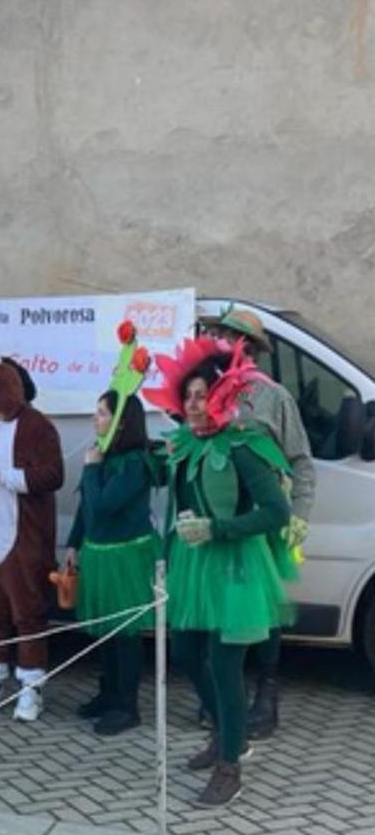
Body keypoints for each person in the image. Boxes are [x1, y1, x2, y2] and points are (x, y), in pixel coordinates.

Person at [142, 336, 294, 807]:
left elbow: (276, 512)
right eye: (186, 395)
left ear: (222, 395)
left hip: (237, 566)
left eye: (201, 394)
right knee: (187, 653)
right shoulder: (182, 446)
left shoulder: (245, 447)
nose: (193, 403)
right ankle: (230, 732)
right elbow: (178, 507)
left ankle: (231, 765)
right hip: (196, 566)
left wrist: (217, 527)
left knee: (227, 665)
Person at [199, 306, 314, 741]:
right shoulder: (201, 390)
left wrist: (299, 515)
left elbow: (301, 461)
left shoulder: (272, 397)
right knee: (219, 599)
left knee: (262, 607)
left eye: (229, 335)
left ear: (250, 347)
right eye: (217, 333)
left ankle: (266, 692)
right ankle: (224, 689)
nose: (221, 340)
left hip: (265, 517)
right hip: (219, 515)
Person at [0, 361, 64, 721]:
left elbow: (53, 476)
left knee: (27, 613)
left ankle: (31, 688)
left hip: (22, 537)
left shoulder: (37, 426)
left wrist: (1, 476)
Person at [64, 392, 161, 735]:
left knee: (125, 633)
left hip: (125, 555)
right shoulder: (103, 455)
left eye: (102, 413)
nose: (95, 419)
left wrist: (92, 467)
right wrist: (74, 543)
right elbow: (86, 506)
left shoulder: (135, 463)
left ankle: (127, 705)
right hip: (99, 552)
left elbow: (105, 504)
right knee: (105, 630)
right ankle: (108, 693)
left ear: (121, 422)